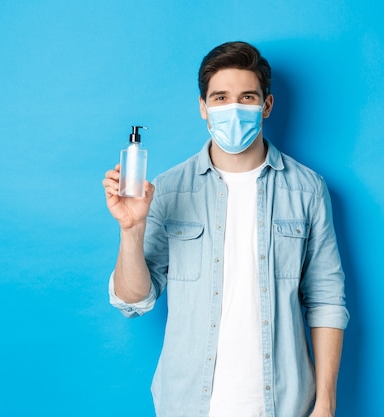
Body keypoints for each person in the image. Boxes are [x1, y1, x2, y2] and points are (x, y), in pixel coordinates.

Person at [102, 41, 349, 417]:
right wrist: (130, 229)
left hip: (284, 405)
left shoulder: (307, 190)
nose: (233, 109)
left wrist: (326, 404)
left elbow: (327, 300)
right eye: (220, 98)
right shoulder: (168, 189)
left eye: (246, 97)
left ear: (266, 105)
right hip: (187, 405)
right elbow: (133, 301)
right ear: (203, 107)